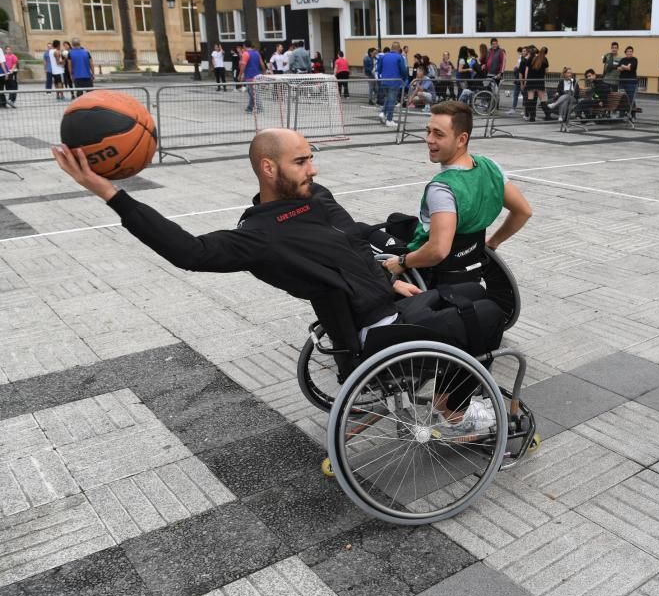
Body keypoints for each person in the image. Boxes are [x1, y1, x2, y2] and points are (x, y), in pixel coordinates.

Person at [51, 128, 506, 433]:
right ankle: (455, 409)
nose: (313, 169)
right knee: (486, 314)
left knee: (468, 291)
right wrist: (110, 193)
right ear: (269, 169)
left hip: (384, 306)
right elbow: (187, 251)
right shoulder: (259, 237)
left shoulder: (314, 201)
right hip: (374, 336)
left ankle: (446, 393)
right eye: (302, 161)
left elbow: (346, 243)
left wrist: (388, 280)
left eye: (311, 158)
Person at [382, 101, 532, 287]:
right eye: (428, 131)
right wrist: (492, 243)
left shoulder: (442, 188)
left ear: (461, 139)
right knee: (396, 219)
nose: (429, 139)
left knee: (366, 236)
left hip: (438, 267)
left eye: (438, 134)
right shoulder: (490, 166)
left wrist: (402, 262)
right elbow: (523, 211)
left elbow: (438, 250)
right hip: (469, 250)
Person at [376, 41, 408, 128]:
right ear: (398, 48)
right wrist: (404, 79)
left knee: (388, 98)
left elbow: (378, 69)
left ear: (391, 48)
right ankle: (389, 120)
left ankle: (383, 113)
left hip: (384, 81)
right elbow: (403, 70)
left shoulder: (384, 56)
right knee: (392, 101)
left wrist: (381, 77)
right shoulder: (399, 57)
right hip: (394, 81)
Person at [523, 46, 549, 122]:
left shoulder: (530, 58)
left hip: (531, 81)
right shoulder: (544, 59)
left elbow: (526, 70)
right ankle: (548, 115)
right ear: (546, 53)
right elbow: (546, 71)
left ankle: (532, 117)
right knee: (542, 99)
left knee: (530, 99)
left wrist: (525, 81)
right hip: (540, 81)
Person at [239, 41, 265, 113]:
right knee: (251, 92)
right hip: (258, 75)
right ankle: (250, 107)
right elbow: (262, 63)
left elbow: (243, 65)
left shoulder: (246, 54)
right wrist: (264, 72)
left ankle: (259, 108)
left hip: (250, 76)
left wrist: (240, 75)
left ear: (244, 46)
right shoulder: (257, 53)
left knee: (254, 93)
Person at [618, 45, 638, 114]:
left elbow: (629, 68)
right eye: (628, 51)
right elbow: (619, 68)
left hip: (631, 82)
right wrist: (626, 66)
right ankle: (622, 114)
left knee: (631, 98)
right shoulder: (622, 59)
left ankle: (632, 114)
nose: (629, 53)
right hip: (622, 81)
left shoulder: (634, 59)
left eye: (631, 51)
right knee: (622, 98)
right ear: (625, 52)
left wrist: (623, 66)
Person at [506, 46, 523, 116]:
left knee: (523, 94)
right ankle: (513, 109)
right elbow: (517, 66)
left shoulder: (524, 59)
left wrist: (515, 68)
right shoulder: (520, 58)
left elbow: (519, 67)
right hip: (517, 78)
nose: (520, 54)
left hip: (521, 79)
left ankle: (524, 110)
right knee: (515, 94)